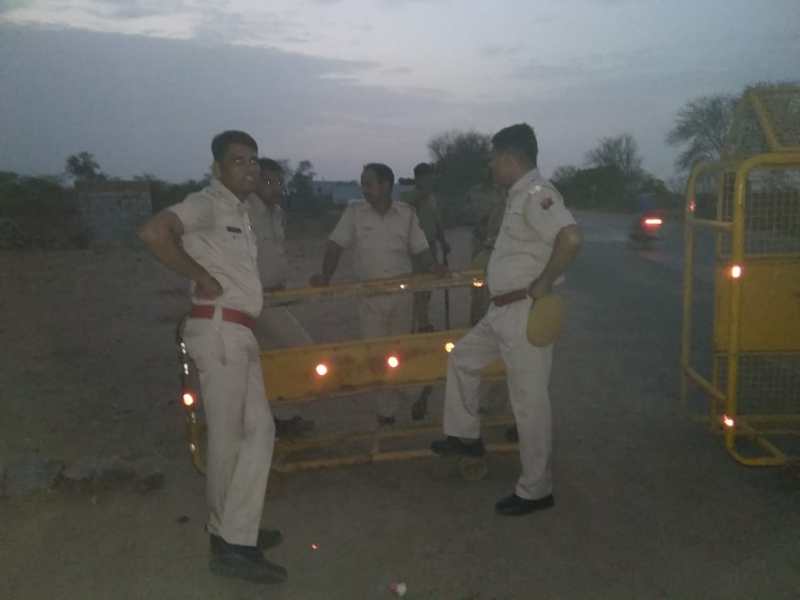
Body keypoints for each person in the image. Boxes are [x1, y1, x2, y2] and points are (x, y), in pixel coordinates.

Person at [137, 131, 287, 584]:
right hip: (219, 328)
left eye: (253, 161)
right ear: (218, 169)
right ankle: (230, 545)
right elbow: (154, 232)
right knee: (232, 437)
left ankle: (235, 529)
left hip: (239, 330)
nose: (249, 169)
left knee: (257, 431)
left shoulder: (240, 210)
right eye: (237, 161)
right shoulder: (207, 203)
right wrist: (200, 276)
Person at [431, 123, 582, 517]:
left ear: (510, 158)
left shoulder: (537, 195)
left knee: (529, 403)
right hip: (501, 310)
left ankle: (536, 488)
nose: (491, 167)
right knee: (462, 358)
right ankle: (465, 436)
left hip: (523, 312)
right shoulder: (516, 197)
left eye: (493, 159)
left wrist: (545, 282)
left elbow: (571, 239)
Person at [310, 163, 445, 425]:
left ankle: (399, 403)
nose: (364, 189)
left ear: (386, 186)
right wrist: (325, 276)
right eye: (363, 183)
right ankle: (400, 402)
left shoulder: (406, 214)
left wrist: (435, 267)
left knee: (399, 352)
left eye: (369, 183)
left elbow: (421, 249)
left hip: (402, 294)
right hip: (370, 296)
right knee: (376, 356)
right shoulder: (354, 212)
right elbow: (335, 245)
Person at [247, 158, 314, 437]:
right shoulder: (243, 211)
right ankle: (279, 416)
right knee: (302, 349)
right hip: (253, 299)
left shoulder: (276, 214)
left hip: (274, 297)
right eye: (268, 182)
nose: (275, 188)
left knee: (267, 360)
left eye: (278, 182)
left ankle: (277, 419)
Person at [402, 162, 449, 332]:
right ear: (419, 178)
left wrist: (443, 241)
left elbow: (436, 222)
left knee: (428, 286)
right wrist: (422, 192)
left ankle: (424, 320)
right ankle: (420, 323)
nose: (431, 180)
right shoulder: (408, 197)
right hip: (415, 248)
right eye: (428, 177)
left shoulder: (432, 198)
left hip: (431, 246)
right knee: (418, 285)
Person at [466, 168, 507, 326]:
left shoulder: (502, 193)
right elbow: (467, 215)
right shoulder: (474, 192)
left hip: (497, 245)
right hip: (479, 245)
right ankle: (475, 324)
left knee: (496, 288)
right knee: (477, 287)